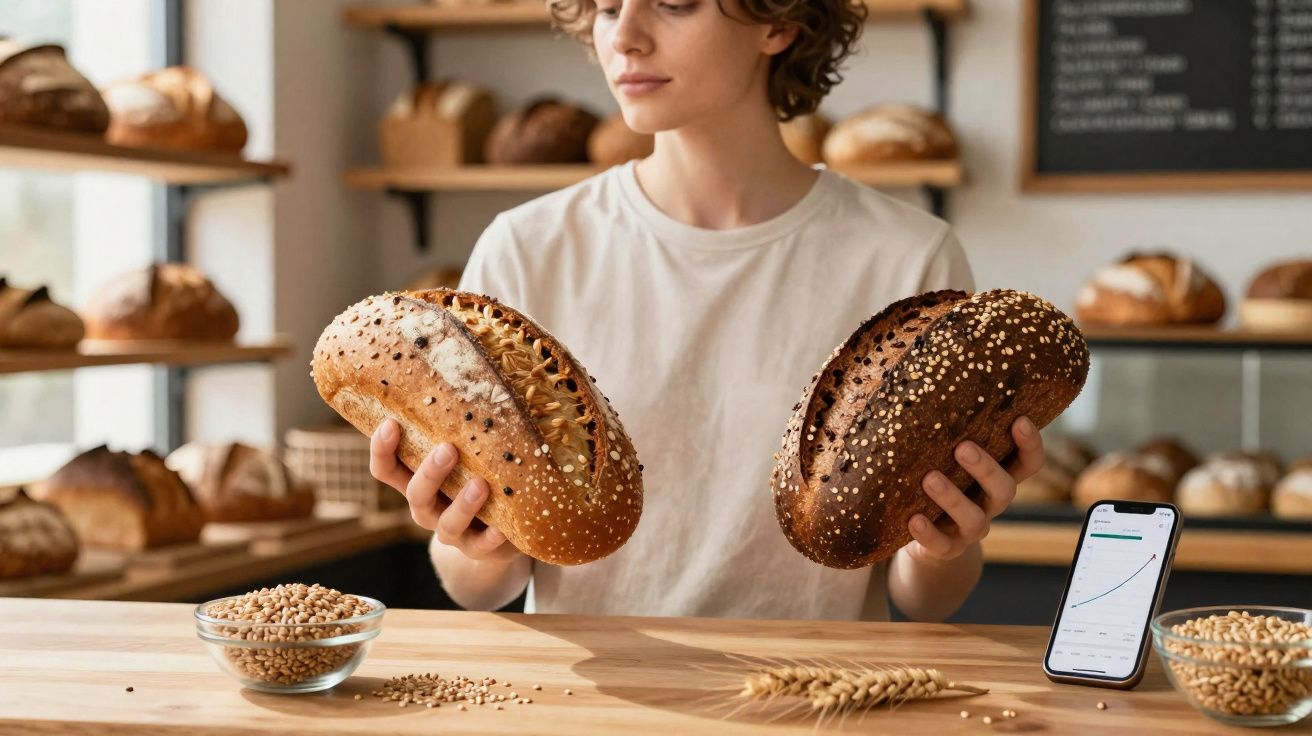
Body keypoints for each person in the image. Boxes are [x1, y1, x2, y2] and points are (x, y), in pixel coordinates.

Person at [369, 0, 1045, 621]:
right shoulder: (530, 248)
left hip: (816, 704)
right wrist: (474, 544)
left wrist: (940, 547)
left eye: (673, 4)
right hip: (596, 710)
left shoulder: (909, 259)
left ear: (778, 23)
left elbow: (926, 602)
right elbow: (481, 588)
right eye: (606, 8)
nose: (625, 38)